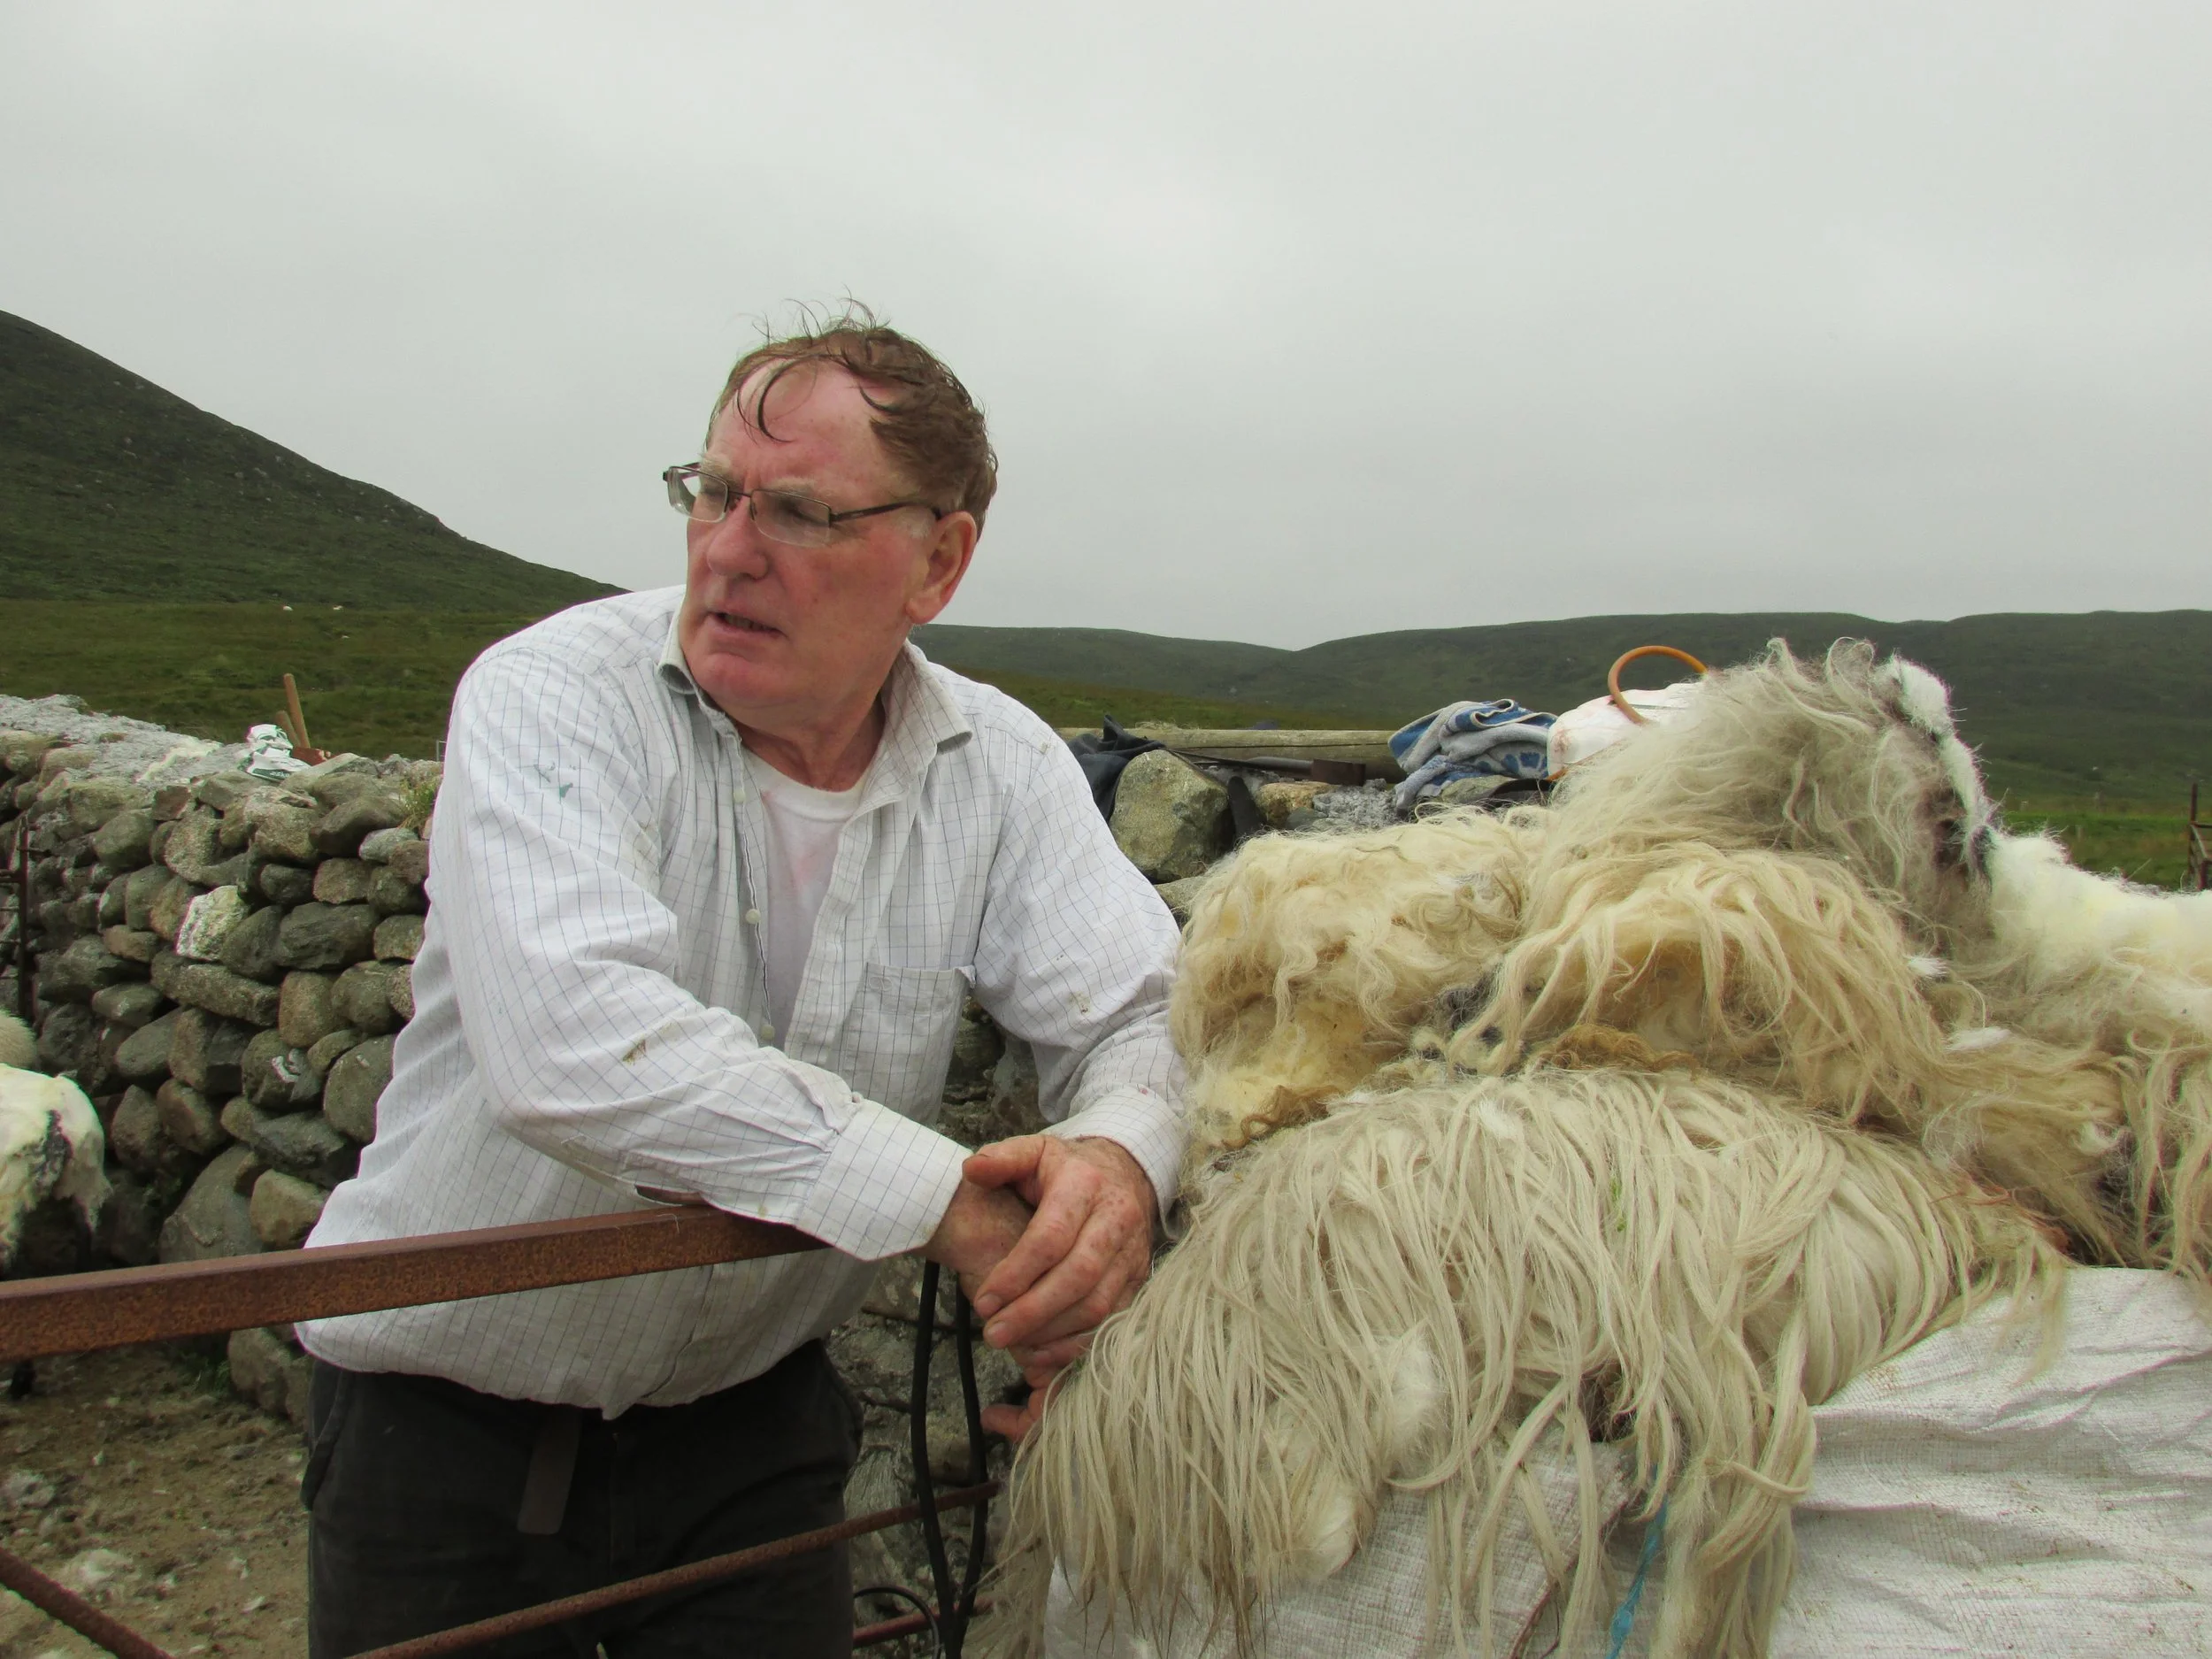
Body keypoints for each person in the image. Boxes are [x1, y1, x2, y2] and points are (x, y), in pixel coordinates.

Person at [295, 311, 1187, 1656]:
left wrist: (1115, 1165)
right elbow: (575, 1041)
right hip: (445, 1430)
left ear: (937, 560)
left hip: (751, 1430)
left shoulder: (996, 767)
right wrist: (949, 1202)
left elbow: (1139, 1009)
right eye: (712, 493)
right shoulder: (554, 696)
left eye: (802, 513)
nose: (727, 550)